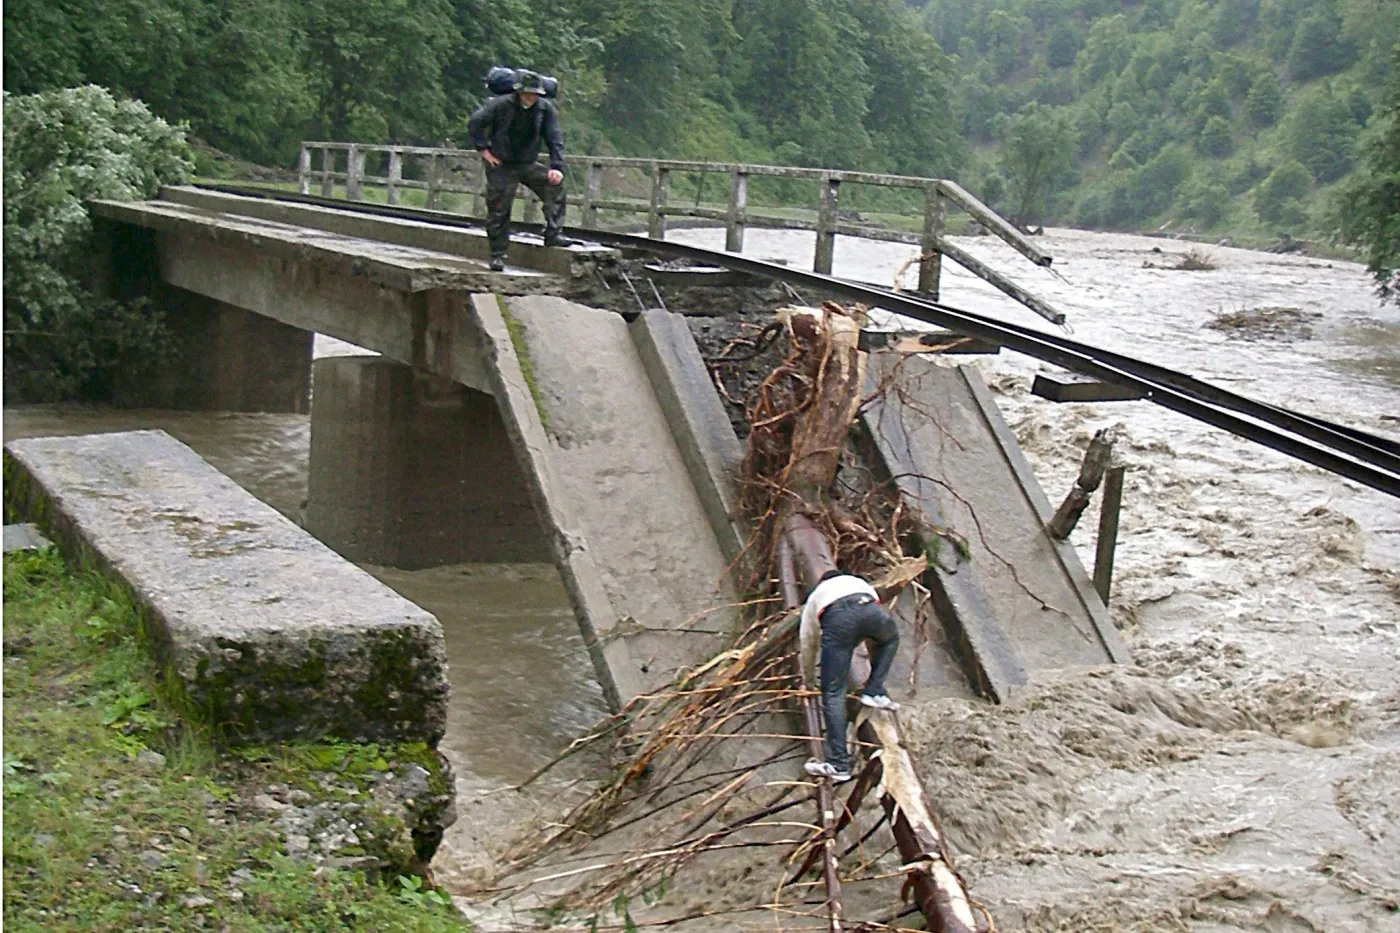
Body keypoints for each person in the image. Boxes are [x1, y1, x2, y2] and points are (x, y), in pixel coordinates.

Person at [799, 569, 900, 783]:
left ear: (821, 582)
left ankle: (838, 764)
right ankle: (874, 691)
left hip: (839, 618)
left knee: (834, 692)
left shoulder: (816, 596)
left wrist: (807, 681)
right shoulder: (857, 582)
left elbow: (808, 643)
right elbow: (870, 616)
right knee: (890, 640)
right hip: (869, 607)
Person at [467, 70, 572, 271]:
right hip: (501, 163)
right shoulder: (500, 105)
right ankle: (498, 255)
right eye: (526, 94)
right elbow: (475, 123)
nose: (529, 98)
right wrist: (484, 150)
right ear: (518, 92)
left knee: (554, 188)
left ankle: (553, 233)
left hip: (527, 162)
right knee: (499, 207)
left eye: (534, 94)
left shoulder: (544, 109)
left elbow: (554, 138)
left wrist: (557, 167)